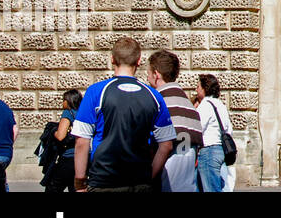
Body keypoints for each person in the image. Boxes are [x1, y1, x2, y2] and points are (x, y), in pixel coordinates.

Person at [72, 36, 175, 192]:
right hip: (139, 181)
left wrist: (79, 183)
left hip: (103, 179)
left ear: (112, 59)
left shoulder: (96, 92)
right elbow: (166, 145)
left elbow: (81, 141)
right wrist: (149, 176)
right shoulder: (154, 96)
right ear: (139, 61)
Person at [146, 50, 203, 192]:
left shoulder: (158, 102)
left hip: (164, 183)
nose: (147, 78)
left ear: (156, 74)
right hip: (187, 184)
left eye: (148, 73)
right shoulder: (189, 106)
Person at [41, 89, 81, 193]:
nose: (62, 102)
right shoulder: (83, 113)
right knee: (75, 187)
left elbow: (60, 136)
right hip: (83, 157)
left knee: (53, 187)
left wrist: (53, 131)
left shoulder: (68, 113)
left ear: (68, 101)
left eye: (63, 100)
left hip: (68, 158)